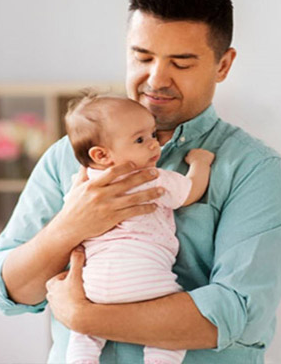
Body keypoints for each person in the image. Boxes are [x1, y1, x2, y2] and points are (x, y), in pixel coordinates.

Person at [0, 0, 281, 364]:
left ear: (223, 65)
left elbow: (235, 313)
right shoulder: (68, 156)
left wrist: (84, 317)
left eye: (181, 63)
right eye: (143, 57)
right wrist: (71, 225)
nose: (156, 79)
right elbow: (9, 292)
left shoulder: (257, 171)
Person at [63, 94, 215, 364]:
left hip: (92, 287)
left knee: (83, 336)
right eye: (140, 140)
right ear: (101, 154)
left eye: (152, 134)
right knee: (173, 325)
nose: (154, 144)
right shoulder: (148, 178)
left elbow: (68, 214)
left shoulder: (83, 186)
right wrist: (199, 163)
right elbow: (190, 192)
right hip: (144, 281)